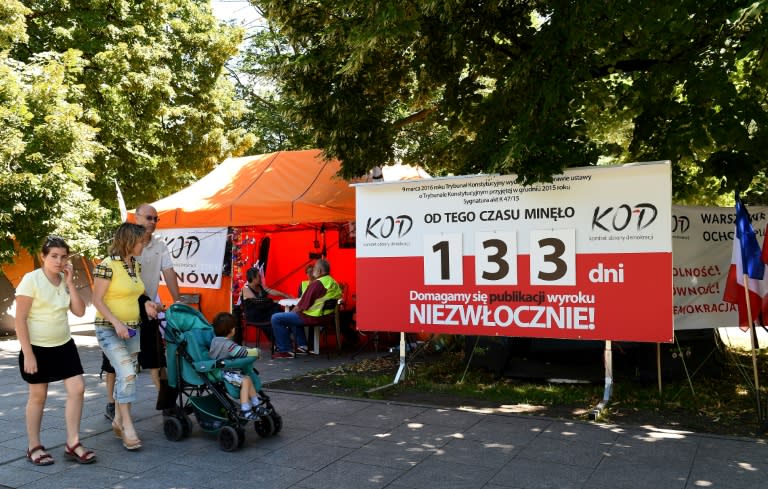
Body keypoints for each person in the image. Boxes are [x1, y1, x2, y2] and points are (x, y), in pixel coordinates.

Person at [15, 236, 95, 465]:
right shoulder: (31, 280)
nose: (59, 261)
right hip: (37, 348)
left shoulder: (64, 280)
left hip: (64, 345)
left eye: (63, 257)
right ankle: (34, 446)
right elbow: (20, 319)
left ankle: (73, 443)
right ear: (43, 256)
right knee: (38, 396)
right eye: (54, 256)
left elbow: (80, 312)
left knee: (78, 388)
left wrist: (70, 283)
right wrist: (28, 354)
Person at [103, 203, 181, 420]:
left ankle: (166, 403)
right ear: (136, 217)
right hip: (123, 308)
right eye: (149, 218)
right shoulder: (123, 246)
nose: (153, 223)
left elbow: (169, 272)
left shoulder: (160, 245)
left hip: (148, 306)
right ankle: (111, 403)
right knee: (114, 362)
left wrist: (179, 301)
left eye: (156, 219)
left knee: (156, 357)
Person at [92, 222, 160, 451]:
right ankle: (128, 426)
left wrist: (148, 303)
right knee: (128, 372)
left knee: (128, 376)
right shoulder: (106, 265)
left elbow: (137, 293)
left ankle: (119, 420)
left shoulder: (135, 266)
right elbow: (97, 300)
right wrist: (116, 323)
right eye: (141, 241)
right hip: (109, 329)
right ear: (130, 241)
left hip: (133, 329)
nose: (144, 244)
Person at [270, 258, 341, 359]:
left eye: (314, 269)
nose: (313, 272)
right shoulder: (333, 282)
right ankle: (303, 346)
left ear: (319, 271)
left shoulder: (317, 284)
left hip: (313, 316)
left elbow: (301, 306)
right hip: (327, 316)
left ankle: (285, 350)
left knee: (276, 318)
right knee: (293, 317)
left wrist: (289, 314)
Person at [209, 312, 264, 419]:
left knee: (247, 378)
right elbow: (241, 352)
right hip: (225, 372)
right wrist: (256, 352)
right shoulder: (228, 345)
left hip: (221, 369)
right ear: (231, 330)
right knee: (245, 380)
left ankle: (256, 403)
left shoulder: (215, 341)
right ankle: (245, 409)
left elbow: (238, 350)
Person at [241, 267, 290, 342]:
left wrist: (285, 295)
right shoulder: (245, 289)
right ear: (253, 278)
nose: (260, 278)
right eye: (259, 276)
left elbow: (271, 291)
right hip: (255, 316)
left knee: (277, 310)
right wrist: (275, 301)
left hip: (264, 312)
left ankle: (283, 337)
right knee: (274, 315)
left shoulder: (260, 286)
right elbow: (258, 301)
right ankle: (279, 341)